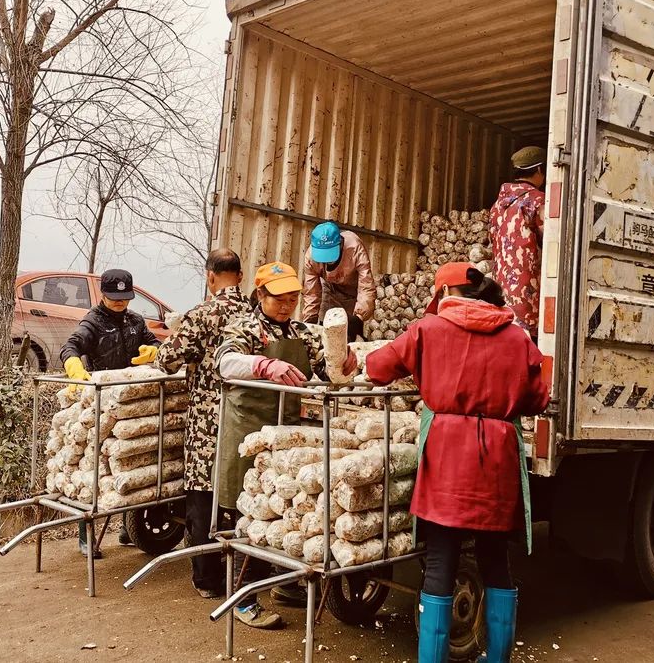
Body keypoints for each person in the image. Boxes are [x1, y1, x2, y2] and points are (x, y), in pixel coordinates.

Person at [365, 262, 548, 663]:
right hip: (496, 458)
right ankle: (497, 658)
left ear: (446, 294)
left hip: (447, 457)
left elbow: (378, 367)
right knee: (495, 556)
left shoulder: (428, 330)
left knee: (441, 557)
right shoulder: (516, 337)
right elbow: (538, 396)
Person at [215, 261, 358, 629]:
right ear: (260, 294)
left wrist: (344, 367)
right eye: (279, 297)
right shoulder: (243, 328)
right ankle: (242, 596)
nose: (287, 304)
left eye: (293, 297)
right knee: (246, 514)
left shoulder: (301, 332)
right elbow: (225, 363)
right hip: (248, 432)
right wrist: (263, 366)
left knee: (283, 510)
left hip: (287, 436)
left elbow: (327, 371)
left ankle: (285, 585)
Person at [154, 248, 254, 599]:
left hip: (211, 418)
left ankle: (208, 578)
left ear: (210, 276)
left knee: (203, 491)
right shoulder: (256, 314)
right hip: (250, 418)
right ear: (241, 277)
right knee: (244, 490)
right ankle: (251, 571)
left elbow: (167, 359)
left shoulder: (203, 314)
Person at [60, 268, 161, 556]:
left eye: (124, 297)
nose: (119, 302)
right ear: (103, 294)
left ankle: (129, 528)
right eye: (114, 297)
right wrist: (74, 366)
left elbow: (154, 342)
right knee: (96, 468)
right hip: (102, 405)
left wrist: (154, 351)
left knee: (130, 463)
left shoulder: (135, 320)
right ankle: (85, 534)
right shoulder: (93, 321)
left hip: (130, 404)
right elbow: (71, 345)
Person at [489, 146, 546, 341]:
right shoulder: (536, 200)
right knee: (528, 345)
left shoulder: (497, 205)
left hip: (500, 290)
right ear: (539, 170)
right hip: (528, 291)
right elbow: (550, 240)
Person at [301, 221, 375, 340]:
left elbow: (366, 285)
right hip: (330, 289)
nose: (326, 261)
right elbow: (311, 292)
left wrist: (358, 317)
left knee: (350, 333)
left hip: (353, 292)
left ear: (340, 244)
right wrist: (310, 321)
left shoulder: (355, 247)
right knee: (326, 330)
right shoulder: (311, 257)